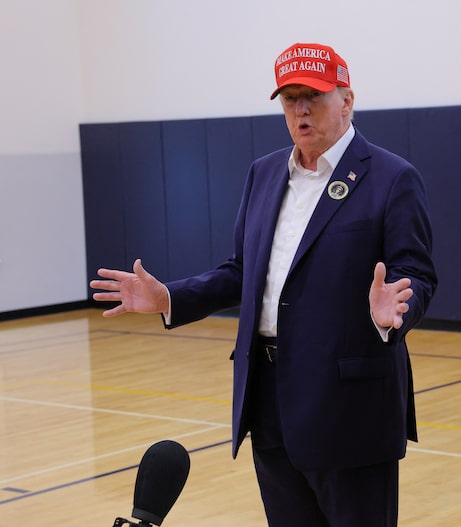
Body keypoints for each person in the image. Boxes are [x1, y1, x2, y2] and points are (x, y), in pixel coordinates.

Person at [90, 42, 437, 527]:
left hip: (349, 406)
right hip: (268, 397)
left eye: (313, 96)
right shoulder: (265, 173)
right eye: (289, 97)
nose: (300, 109)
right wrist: (169, 296)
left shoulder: (393, 177)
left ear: (346, 100)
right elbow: (241, 272)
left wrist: (395, 309)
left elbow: (416, 274)